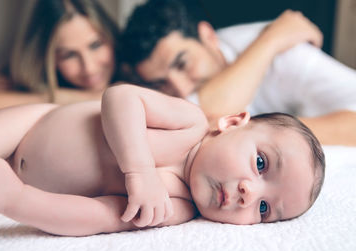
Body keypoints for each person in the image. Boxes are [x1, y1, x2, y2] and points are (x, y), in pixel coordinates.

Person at [0, 84, 325, 236]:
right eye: (260, 164)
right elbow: (121, 97)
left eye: (264, 209)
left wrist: (13, 200)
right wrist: (139, 170)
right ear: (230, 124)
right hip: (30, 127)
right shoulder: (189, 122)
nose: (249, 192)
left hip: (20, 182)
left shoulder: (175, 206)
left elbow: (96, 217)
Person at [121, 0, 356, 146]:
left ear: (208, 36)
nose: (180, 89)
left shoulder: (289, 54)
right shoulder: (275, 40)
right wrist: (271, 40)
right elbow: (206, 115)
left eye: (182, 64)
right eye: (161, 82)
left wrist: (257, 131)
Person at [0, 0, 119, 122]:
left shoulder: (134, 73)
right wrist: (65, 97)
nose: (89, 68)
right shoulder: (17, 85)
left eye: (96, 45)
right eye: (69, 55)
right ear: (47, 58)